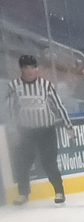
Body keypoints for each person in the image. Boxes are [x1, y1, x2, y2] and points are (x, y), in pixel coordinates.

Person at [5, 54, 72, 206]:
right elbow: (9, 110)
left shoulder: (46, 85)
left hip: (46, 130)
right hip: (25, 131)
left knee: (49, 162)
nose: (30, 71)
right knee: (23, 163)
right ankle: (23, 194)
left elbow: (58, 106)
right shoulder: (13, 87)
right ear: (20, 69)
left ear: (37, 69)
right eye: (26, 67)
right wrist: (13, 130)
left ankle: (59, 191)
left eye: (32, 67)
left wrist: (68, 125)